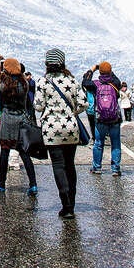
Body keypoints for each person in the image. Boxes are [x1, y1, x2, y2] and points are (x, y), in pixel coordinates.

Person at [34, 47, 86, 219]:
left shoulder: (43, 82)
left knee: (58, 165)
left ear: (47, 63)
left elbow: (38, 106)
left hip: (51, 129)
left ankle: (66, 205)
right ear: (62, 62)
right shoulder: (72, 80)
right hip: (71, 127)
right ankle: (72, 203)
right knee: (70, 165)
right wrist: (72, 112)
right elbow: (84, 103)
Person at [0, 58, 38, 195]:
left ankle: (1, 183)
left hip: (7, 120)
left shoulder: (4, 84)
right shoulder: (24, 84)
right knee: (24, 153)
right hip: (21, 120)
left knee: (5, 152)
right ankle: (33, 184)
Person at [82, 61, 122, 176]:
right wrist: (109, 71)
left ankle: (97, 167)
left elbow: (85, 82)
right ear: (110, 71)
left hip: (100, 118)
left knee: (98, 143)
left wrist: (92, 70)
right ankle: (115, 169)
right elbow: (114, 78)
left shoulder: (95, 85)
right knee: (115, 143)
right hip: (115, 118)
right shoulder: (115, 84)